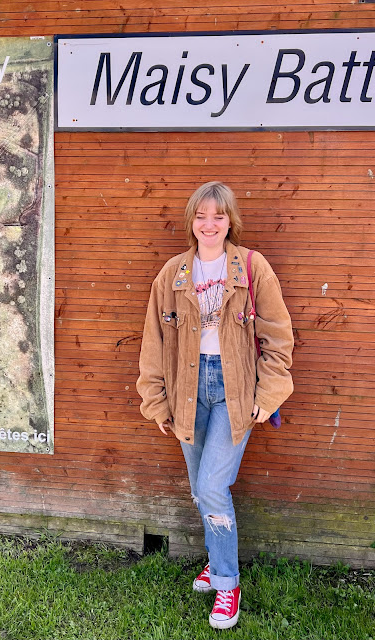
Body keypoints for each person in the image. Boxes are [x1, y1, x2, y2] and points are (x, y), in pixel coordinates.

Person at [136, 181, 294, 630]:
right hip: (186, 389)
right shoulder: (173, 275)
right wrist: (156, 400)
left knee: (211, 488)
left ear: (230, 222)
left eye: (219, 216)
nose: (210, 224)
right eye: (202, 216)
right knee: (200, 488)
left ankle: (227, 584)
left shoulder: (250, 267)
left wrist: (268, 395)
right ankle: (214, 558)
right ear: (191, 221)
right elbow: (154, 342)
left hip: (233, 389)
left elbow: (278, 336)